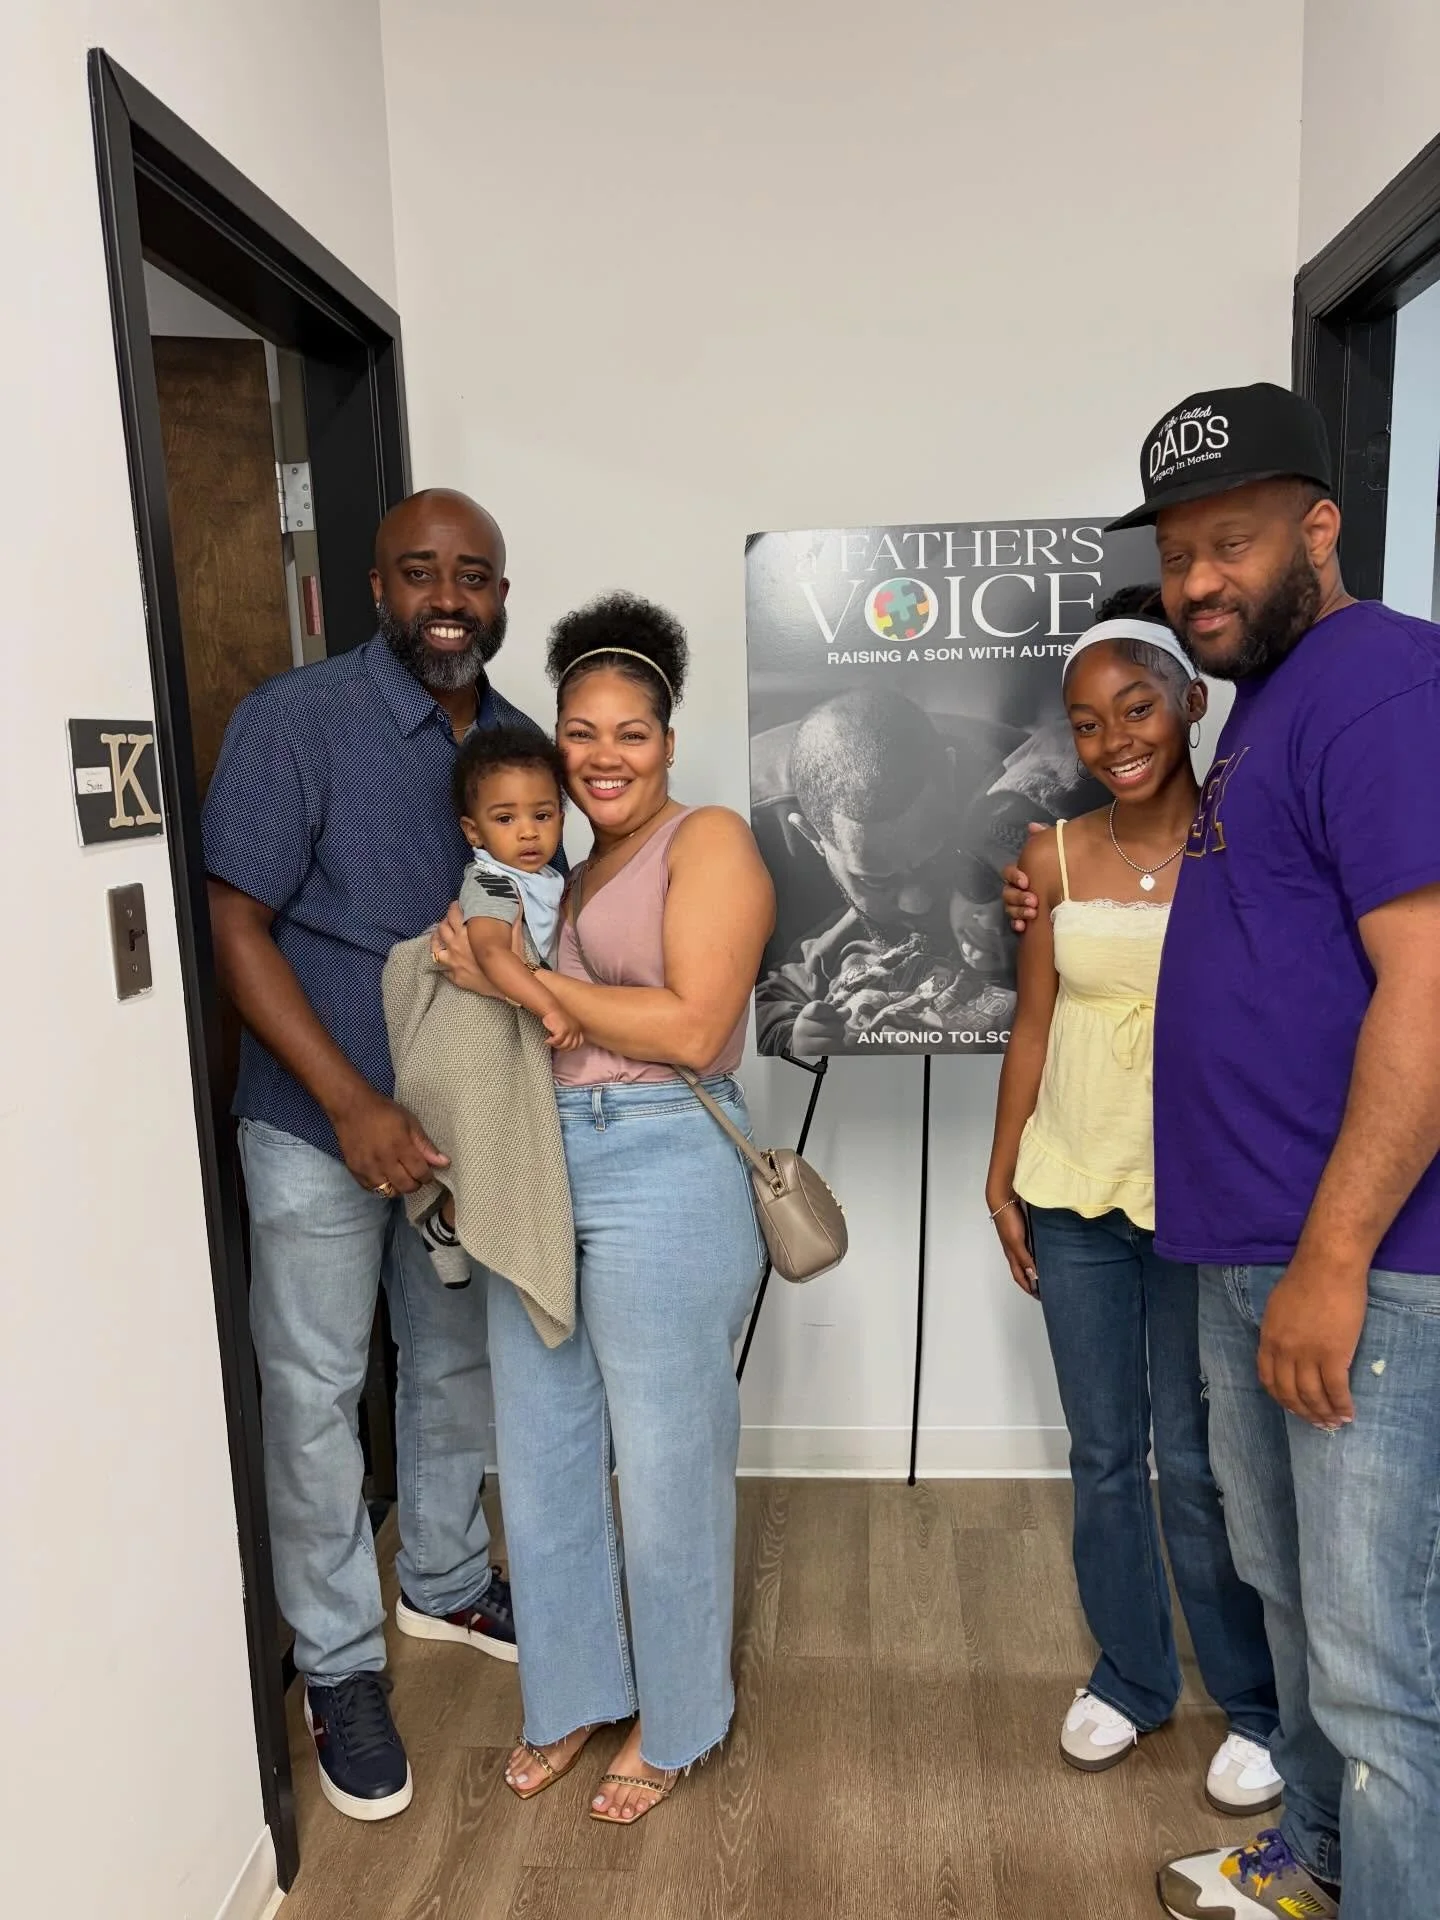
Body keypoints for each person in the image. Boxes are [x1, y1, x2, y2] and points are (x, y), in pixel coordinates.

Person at [1002, 384, 1440, 1920]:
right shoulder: (1270, 713)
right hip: (1247, 1249)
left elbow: (1433, 981)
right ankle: (1318, 1870)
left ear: (1319, 529)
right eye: (1182, 553)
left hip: (1366, 1269)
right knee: (1307, 1620)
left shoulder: (1384, 683)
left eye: (1233, 543)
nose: (1201, 581)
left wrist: (1330, 1263)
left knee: (1385, 1675)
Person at [203, 490, 545, 1822]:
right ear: (375, 587)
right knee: (314, 1392)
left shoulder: (523, 744)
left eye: (473, 576)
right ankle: (338, 1662)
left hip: (465, 1130)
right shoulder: (296, 723)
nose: (448, 598)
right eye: (421, 574)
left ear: (502, 596)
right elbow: (236, 927)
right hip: (315, 1126)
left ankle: (447, 1578)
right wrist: (351, 1104)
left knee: (457, 1364)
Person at [433, 591, 775, 1825]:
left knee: (672, 1463)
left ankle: (678, 1720)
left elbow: (693, 1024)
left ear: (669, 741)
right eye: (581, 731)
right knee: (541, 1452)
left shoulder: (710, 841)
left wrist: (526, 984)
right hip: (543, 1162)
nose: (604, 755)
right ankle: (574, 1691)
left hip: (664, 1162)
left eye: (631, 731)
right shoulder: (559, 870)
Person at [985, 589, 1280, 1813]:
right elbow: (1038, 1020)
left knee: (1204, 1462)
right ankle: (1131, 1677)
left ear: (1192, 702)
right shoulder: (1049, 856)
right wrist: (1004, 1174)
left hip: (1203, 1191)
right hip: (1075, 1183)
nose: (1114, 738)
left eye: (1138, 707)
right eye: (1087, 721)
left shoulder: (1250, 831)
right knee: (1106, 1453)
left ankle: (1255, 1704)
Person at [753, 689, 1095, 1054]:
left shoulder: (1000, 798)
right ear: (813, 839)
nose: (918, 904)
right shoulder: (835, 937)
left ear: (950, 776)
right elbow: (766, 1003)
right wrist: (792, 1036)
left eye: (937, 857)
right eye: (876, 880)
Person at [397, 725, 580, 1292]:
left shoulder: (550, 879)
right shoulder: (492, 883)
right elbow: (493, 957)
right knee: (483, 1150)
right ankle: (446, 1224)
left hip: (515, 1026)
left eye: (542, 816)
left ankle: (451, 1225)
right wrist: (548, 1004)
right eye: (505, 819)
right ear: (473, 831)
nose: (527, 832)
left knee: (501, 1161)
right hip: (473, 1041)